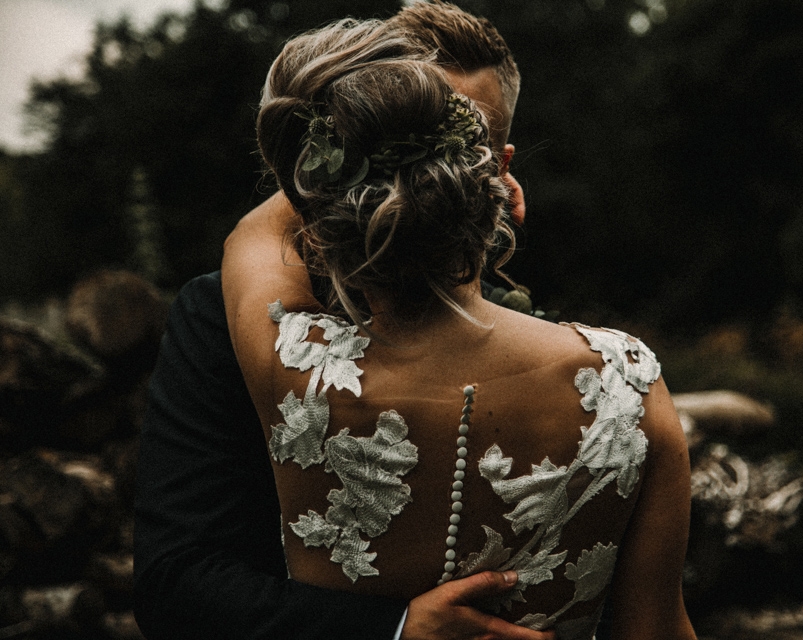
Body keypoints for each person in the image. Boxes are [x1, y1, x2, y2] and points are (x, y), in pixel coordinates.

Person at [222, 12, 696, 640]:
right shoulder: (627, 383)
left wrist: (369, 141)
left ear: (327, 210)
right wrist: (463, 164)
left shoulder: (290, 365)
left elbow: (254, 233)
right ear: (490, 178)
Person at [133, 5, 551, 640]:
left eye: (466, 138)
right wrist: (393, 629)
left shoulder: (529, 327)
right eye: (404, 133)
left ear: (501, 164)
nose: (422, 172)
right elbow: (175, 582)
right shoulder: (219, 316)